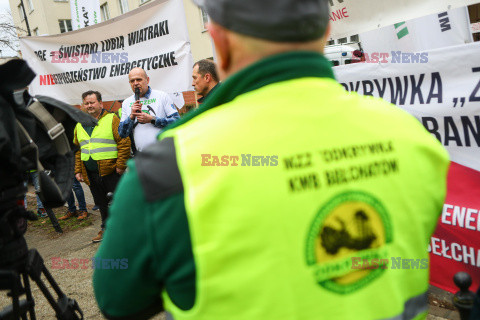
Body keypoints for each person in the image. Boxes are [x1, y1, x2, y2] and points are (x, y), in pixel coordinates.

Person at [93, 0, 450, 319]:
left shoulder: (168, 169)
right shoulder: (411, 136)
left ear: (217, 39)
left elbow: (117, 300)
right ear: (325, 29)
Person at [74, 90, 130, 242]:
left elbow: (124, 142)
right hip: (91, 174)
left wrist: (120, 166)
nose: (89, 106)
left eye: (92, 102)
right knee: (102, 204)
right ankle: (105, 229)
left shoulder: (112, 119)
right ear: (82, 106)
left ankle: (127, 230)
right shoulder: (79, 125)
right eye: (86, 103)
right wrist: (78, 170)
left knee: (119, 202)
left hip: (112, 171)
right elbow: (79, 150)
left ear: (100, 103)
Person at [118, 67, 180, 153]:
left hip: (163, 153)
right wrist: (131, 116)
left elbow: (177, 122)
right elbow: (122, 133)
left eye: (139, 79)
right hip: (140, 156)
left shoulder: (162, 96)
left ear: (147, 80)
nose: (135, 83)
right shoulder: (126, 102)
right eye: (132, 81)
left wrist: (152, 120)